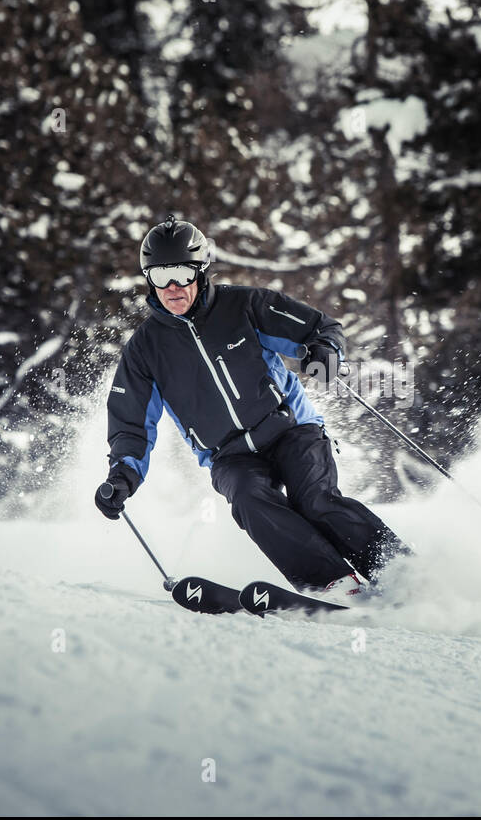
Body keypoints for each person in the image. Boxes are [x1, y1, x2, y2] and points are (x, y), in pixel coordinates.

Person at [95, 215, 407, 595]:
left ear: (200, 271)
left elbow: (320, 328)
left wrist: (324, 351)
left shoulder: (244, 305)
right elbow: (130, 423)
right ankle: (334, 584)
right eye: (161, 276)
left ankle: (399, 572)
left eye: (181, 273)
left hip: (291, 428)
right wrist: (122, 477)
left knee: (316, 501)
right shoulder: (145, 350)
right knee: (249, 499)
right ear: (149, 279)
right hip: (228, 454)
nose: (172, 287)